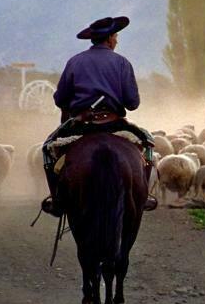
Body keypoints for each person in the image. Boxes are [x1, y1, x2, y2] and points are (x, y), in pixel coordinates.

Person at [40, 16, 157, 216]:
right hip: (113, 123)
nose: (117, 40)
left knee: (47, 150)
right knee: (147, 144)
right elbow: (133, 103)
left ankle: (57, 200)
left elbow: (60, 99)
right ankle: (143, 197)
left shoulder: (75, 61)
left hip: (80, 124)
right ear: (110, 38)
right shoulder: (122, 63)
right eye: (116, 35)